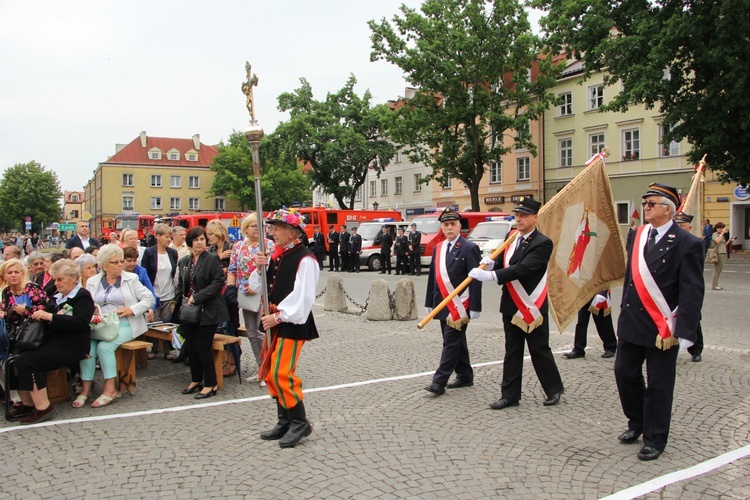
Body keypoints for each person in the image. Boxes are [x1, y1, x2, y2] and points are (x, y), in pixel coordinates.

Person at [613, 183, 704, 461]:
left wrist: (687, 331)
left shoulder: (688, 243)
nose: (646, 207)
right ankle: (637, 422)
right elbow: (631, 278)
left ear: (668, 209)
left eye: (652, 203)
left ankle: (655, 438)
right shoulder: (637, 235)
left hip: (662, 327)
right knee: (624, 373)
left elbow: (692, 289)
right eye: (646, 202)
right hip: (632, 321)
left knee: (659, 384)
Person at [469, 196, 565, 410]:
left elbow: (523, 269)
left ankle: (554, 388)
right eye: (517, 215)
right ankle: (510, 395)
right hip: (511, 304)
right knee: (512, 351)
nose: (519, 219)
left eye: (523, 216)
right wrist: (491, 262)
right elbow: (504, 261)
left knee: (539, 350)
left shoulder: (543, 243)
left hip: (532, 305)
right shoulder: (512, 238)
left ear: (535, 218)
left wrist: (492, 276)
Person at [251, 209, 319, 448]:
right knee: (270, 372)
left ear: (292, 233)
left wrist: (278, 318)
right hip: (274, 320)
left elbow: (303, 301)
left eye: (276, 228)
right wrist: (259, 267)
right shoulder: (277, 255)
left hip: (291, 324)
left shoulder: (306, 260)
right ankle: (285, 420)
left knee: (281, 373)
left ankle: (300, 422)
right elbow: (259, 286)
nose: (272, 232)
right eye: (271, 227)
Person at [6, 260, 94, 423]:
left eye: (60, 279)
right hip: (54, 342)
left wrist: (51, 317)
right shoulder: (57, 296)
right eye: (55, 279)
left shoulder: (82, 296)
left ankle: (43, 407)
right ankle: (27, 403)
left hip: (72, 345)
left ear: (74, 278)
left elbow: (81, 322)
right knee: (18, 357)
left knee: (28, 362)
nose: (56, 283)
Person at [78, 244, 155, 408]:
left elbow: (149, 299)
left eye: (121, 261)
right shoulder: (93, 281)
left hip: (126, 323)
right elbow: (87, 302)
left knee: (104, 348)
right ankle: (85, 389)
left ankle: (110, 389)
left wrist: (131, 309)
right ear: (104, 265)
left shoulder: (131, 279)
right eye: (115, 262)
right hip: (101, 324)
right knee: (87, 348)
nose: (120, 264)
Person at [423, 208, 482, 395]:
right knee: (455, 341)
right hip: (442, 303)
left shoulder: (469, 248)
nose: (449, 228)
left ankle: (439, 382)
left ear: (459, 226)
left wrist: (475, 306)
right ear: (442, 227)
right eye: (445, 225)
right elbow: (433, 276)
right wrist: (429, 302)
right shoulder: (439, 248)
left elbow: (475, 279)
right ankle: (465, 374)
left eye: (452, 224)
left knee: (450, 341)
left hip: (460, 306)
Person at [177, 227, 228, 400]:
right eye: (196, 239)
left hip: (209, 310)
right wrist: (179, 304)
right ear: (190, 243)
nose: (200, 243)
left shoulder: (212, 259)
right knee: (190, 346)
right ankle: (196, 379)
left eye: (202, 239)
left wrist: (197, 297)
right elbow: (181, 284)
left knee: (202, 347)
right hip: (190, 311)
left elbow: (218, 282)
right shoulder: (184, 261)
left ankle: (210, 383)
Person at [227, 213, 274, 383]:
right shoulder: (238, 246)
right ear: (246, 228)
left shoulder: (269, 245)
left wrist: (256, 285)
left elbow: (273, 270)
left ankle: (270, 368)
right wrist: (231, 289)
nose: (258, 229)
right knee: (252, 333)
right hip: (245, 294)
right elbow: (232, 269)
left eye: (261, 226)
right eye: (254, 226)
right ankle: (261, 366)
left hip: (263, 294)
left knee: (263, 332)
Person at [674, 211, 705, 362]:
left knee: (693, 318)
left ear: (689, 227)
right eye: (677, 225)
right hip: (673, 288)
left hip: (688, 286)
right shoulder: (671, 242)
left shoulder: (695, 242)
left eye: (682, 225)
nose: (679, 227)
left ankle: (696, 349)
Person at [562, 290, 617, 359]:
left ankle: (610, 347)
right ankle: (578, 349)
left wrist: (603, 292)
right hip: (585, 292)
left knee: (602, 321)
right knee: (581, 321)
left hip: (599, 292)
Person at [141, 223, 178, 323]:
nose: (169, 239)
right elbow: (144, 274)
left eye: (170, 237)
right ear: (158, 236)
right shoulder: (149, 252)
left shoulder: (173, 253)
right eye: (166, 237)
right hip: (154, 295)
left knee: (167, 323)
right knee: (153, 323)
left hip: (169, 295)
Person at [711, 222, 728, 290]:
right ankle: (714, 285)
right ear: (716, 228)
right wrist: (722, 233)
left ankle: (716, 284)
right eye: (719, 228)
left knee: (720, 269)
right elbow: (717, 241)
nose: (721, 229)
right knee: (717, 269)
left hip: (723, 252)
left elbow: (723, 244)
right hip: (718, 253)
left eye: (722, 228)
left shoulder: (721, 235)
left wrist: (729, 241)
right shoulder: (715, 234)